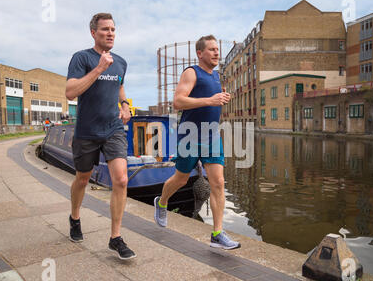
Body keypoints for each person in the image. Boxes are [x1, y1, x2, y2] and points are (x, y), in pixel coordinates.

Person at [154, 35, 241, 250]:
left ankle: (217, 234)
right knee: (181, 179)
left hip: (211, 134)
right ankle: (162, 202)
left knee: (218, 183)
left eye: (217, 49)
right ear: (200, 53)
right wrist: (210, 100)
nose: (216, 53)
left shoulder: (217, 76)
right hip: (190, 135)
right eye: (211, 49)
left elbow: (209, 100)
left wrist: (220, 98)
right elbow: (177, 101)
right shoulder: (191, 72)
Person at [65, 13, 135, 260]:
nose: (110, 33)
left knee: (122, 180)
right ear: (93, 32)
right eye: (105, 29)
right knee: (82, 179)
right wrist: (98, 68)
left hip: (113, 129)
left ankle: (115, 238)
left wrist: (125, 105)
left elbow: (120, 85)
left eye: (113, 29)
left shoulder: (121, 62)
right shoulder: (82, 57)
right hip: (87, 131)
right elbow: (70, 92)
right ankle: (75, 217)